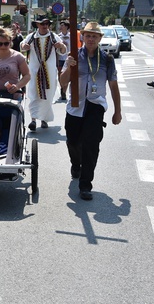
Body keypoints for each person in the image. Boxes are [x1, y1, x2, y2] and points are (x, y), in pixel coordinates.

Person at [59, 22, 122, 201]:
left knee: (91, 144)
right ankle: (75, 164)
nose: (91, 39)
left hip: (95, 105)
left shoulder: (107, 60)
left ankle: (86, 184)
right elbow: (63, 83)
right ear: (82, 37)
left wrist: (117, 111)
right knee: (72, 141)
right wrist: (69, 67)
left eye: (95, 36)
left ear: (100, 38)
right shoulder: (74, 56)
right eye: (88, 35)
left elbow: (114, 86)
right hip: (75, 105)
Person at [21, 16, 67, 130]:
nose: (45, 25)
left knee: (47, 94)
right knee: (33, 93)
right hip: (34, 70)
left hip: (49, 71)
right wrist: (24, 46)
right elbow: (22, 45)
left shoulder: (53, 37)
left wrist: (61, 46)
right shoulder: (31, 37)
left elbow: (63, 51)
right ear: (37, 25)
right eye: (42, 23)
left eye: (46, 23)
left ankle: (44, 119)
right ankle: (33, 119)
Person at [57, 20, 71, 101]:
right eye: (60, 25)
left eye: (62, 25)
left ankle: (64, 91)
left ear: (66, 27)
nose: (61, 27)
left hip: (68, 59)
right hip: (60, 59)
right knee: (60, 75)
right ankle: (62, 88)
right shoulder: (58, 37)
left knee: (67, 75)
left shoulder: (71, 36)